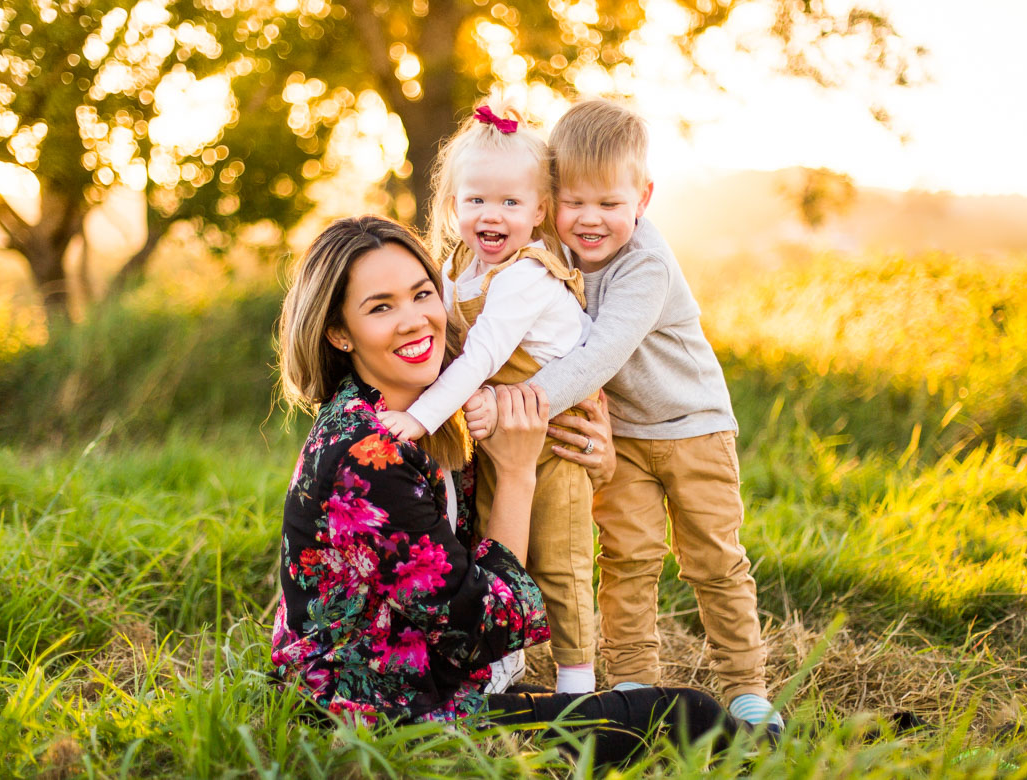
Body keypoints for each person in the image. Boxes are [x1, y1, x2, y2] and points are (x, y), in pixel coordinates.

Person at [271, 215, 744, 764]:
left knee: (642, 709)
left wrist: (590, 461)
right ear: (339, 332)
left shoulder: (433, 411)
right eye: (381, 307)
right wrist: (519, 473)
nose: (413, 320)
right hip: (374, 716)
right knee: (682, 716)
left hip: (422, 681)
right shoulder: (368, 453)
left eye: (422, 294)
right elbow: (482, 631)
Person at [467, 100, 783, 732]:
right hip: (624, 438)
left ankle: (748, 690)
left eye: (610, 204)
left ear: (644, 196)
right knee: (628, 559)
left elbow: (595, 356)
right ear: (550, 197)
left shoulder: (646, 264)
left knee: (714, 559)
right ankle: (634, 682)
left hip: (693, 428)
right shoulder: (549, 254)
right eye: (573, 202)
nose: (590, 219)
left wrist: (506, 406)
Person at [375, 100, 599, 694]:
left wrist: (419, 419)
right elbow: (445, 345)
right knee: (493, 544)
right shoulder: (457, 267)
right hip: (499, 433)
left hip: (556, 433)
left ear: (540, 211)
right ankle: (501, 660)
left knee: (560, 559)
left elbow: (478, 360)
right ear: (453, 206)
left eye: (510, 202)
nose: (490, 215)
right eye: (476, 200)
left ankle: (578, 687)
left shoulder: (525, 275)